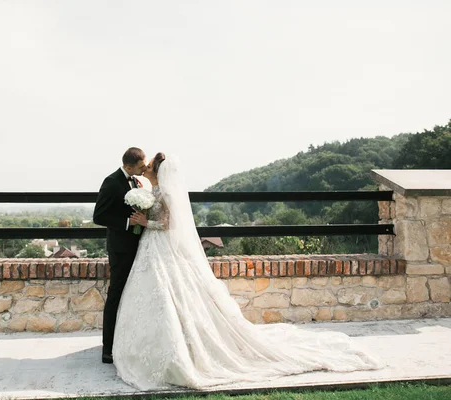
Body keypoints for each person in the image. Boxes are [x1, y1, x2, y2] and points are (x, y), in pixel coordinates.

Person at [112, 152, 383, 390]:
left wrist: (146, 222)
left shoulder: (165, 193)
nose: (145, 169)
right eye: (143, 165)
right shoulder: (155, 189)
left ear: (158, 171)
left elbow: (169, 225)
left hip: (160, 245)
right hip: (152, 248)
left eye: (149, 166)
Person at [93, 147, 147, 364]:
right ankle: (108, 349)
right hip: (120, 249)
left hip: (138, 245)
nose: (144, 169)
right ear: (128, 166)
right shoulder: (111, 182)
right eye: (141, 166)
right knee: (115, 294)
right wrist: (128, 223)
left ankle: (126, 341)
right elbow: (99, 216)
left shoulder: (135, 180)